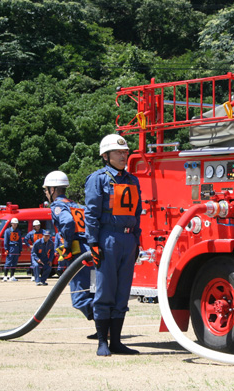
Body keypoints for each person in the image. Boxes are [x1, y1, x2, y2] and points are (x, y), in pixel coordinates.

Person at [84, 134, 142, 356]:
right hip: (107, 238)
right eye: (118, 152)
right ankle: (102, 342)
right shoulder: (97, 179)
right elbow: (91, 214)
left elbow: (136, 213)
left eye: (125, 152)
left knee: (122, 292)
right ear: (105, 156)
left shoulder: (133, 180)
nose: (123, 155)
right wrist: (93, 242)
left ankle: (117, 341)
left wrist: (136, 240)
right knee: (105, 290)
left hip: (128, 239)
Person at [43, 170, 95, 329]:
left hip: (79, 253)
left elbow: (67, 223)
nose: (45, 193)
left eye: (46, 190)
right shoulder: (78, 205)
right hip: (91, 251)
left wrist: (66, 246)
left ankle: (105, 321)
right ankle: (104, 329)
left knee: (80, 298)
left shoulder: (58, 205)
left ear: (53, 190)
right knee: (93, 292)